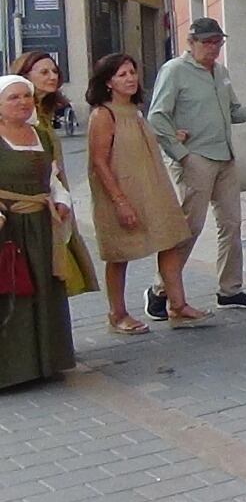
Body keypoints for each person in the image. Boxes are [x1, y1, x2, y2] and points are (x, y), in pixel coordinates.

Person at [146, 18, 246, 316]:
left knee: (232, 225)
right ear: (191, 42)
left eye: (217, 43)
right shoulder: (175, 71)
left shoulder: (220, 72)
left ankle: (230, 289)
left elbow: (233, 112)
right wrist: (180, 153)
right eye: (207, 42)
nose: (213, 48)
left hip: (224, 156)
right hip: (194, 157)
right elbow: (157, 117)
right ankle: (160, 290)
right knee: (189, 227)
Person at [85, 55, 212, 334]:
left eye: (132, 72)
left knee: (169, 240)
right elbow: (99, 161)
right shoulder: (103, 115)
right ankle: (117, 313)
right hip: (121, 192)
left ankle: (177, 305)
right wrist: (120, 201)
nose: (130, 78)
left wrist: (172, 136)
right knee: (119, 253)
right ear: (107, 82)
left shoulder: (135, 110)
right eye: (122, 74)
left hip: (152, 187)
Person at [0, 75, 75, 387]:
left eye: (25, 96)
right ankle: (13, 370)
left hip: (41, 226)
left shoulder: (41, 135)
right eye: (12, 98)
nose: (21, 102)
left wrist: (61, 201)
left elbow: (53, 178)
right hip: (8, 226)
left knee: (43, 286)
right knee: (12, 290)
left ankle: (46, 362)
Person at [13, 51, 99, 299]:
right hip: (36, 200)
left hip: (55, 195)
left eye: (54, 72)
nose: (52, 77)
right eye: (44, 72)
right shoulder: (23, 114)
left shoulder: (44, 112)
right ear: (25, 75)